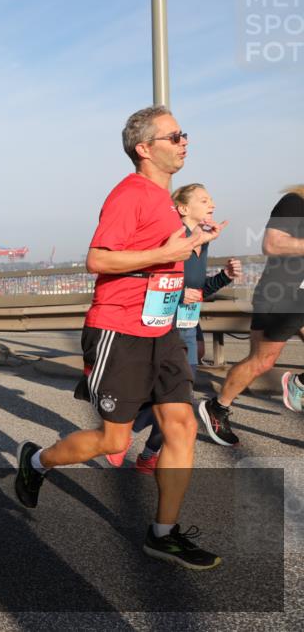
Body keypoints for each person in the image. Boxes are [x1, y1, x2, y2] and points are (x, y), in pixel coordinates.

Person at [14, 105, 222, 570]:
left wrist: (189, 237)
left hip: (162, 329)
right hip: (119, 331)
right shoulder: (129, 194)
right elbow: (99, 260)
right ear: (144, 149)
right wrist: (167, 249)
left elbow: (161, 257)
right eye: (173, 136)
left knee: (182, 426)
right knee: (113, 442)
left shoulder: (167, 203)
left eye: (183, 134)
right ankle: (37, 463)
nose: (184, 141)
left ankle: (163, 534)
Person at [106, 183, 242, 473]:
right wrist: (182, 294)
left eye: (212, 199)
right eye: (204, 200)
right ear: (182, 208)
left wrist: (225, 277)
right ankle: (125, 435)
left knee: (181, 399)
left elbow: (199, 290)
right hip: (163, 326)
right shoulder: (169, 237)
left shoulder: (202, 241)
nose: (212, 205)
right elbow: (152, 278)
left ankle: (148, 451)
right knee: (169, 398)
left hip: (188, 327)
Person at [200, 185, 304, 433]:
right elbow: (273, 244)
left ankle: (298, 384)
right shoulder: (294, 202)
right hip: (282, 296)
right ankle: (218, 406)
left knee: (261, 360)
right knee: (261, 361)